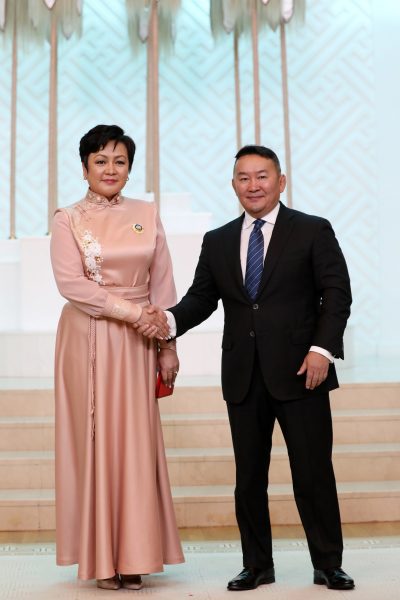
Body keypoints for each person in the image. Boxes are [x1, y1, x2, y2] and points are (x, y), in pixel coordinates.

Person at [140, 145, 354, 591]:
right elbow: (201, 298)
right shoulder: (218, 240)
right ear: (233, 184)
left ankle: (328, 564)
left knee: (313, 474)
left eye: (262, 176)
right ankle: (256, 565)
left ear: (281, 181)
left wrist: (322, 350)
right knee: (249, 478)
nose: (253, 185)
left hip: (303, 371)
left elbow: (336, 294)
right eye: (243, 177)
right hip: (243, 374)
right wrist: (169, 322)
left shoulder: (312, 230)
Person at [50, 124, 184, 590]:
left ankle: (135, 554)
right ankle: (101, 558)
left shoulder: (147, 213)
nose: (111, 169)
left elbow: (163, 283)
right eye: (101, 161)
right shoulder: (67, 218)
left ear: (130, 168)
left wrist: (167, 344)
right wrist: (134, 314)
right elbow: (71, 285)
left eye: (120, 161)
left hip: (139, 342)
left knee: (136, 442)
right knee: (94, 441)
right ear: (84, 167)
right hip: (89, 337)